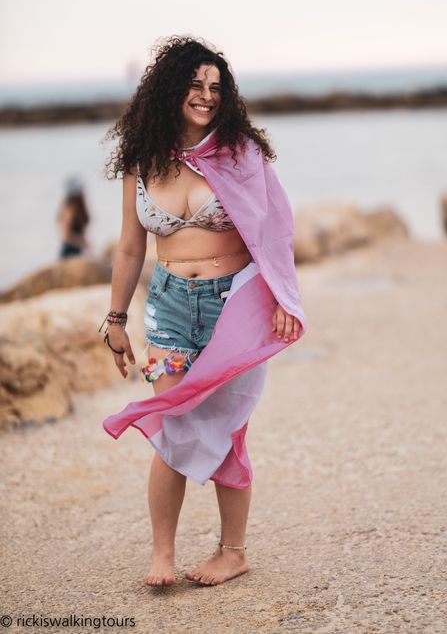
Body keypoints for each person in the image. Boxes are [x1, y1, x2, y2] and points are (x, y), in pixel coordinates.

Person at [100, 36, 306, 588]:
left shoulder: (240, 153)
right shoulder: (144, 159)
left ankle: (233, 551)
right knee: (171, 422)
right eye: (195, 85)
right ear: (171, 89)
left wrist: (284, 299)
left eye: (215, 87)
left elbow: (274, 231)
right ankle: (161, 555)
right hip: (167, 308)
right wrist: (116, 320)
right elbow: (129, 246)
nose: (206, 96)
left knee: (228, 427)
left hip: (232, 306)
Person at [57, 176, 90, 259]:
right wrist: (82, 242)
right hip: (69, 251)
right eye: (80, 190)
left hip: (76, 250)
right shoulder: (69, 209)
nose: (83, 192)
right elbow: (66, 235)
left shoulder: (78, 208)